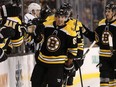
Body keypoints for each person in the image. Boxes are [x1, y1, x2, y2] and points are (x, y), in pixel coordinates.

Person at [30, 8, 78, 87]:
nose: (59, 19)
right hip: (42, 60)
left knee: (54, 85)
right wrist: (37, 31)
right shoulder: (46, 25)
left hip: (57, 63)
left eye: (62, 17)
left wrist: (69, 63)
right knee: (35, 82)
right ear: (55, 17)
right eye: (58, 17)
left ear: (65, 18)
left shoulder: (70, 31)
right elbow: (38, 38)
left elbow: (72, 49)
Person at [94, 3, 116, 86]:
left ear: (114, 13)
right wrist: (85, 31)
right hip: (103, 57)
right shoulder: (101, 23)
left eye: (109, 11)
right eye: (106, 11)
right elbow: (96, 38)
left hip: (114, 57)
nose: (106, 13)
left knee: (113, 81)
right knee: (103, 80)